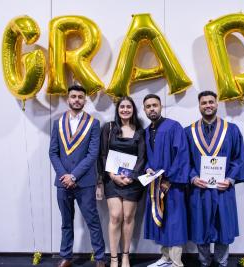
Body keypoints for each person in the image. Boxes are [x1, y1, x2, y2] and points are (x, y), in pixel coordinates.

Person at [184, 91, 244, 267]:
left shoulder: (232, 130)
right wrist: (192, 177)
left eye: (211, 102)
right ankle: (204, 262)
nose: (208, 105)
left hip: (222, 189)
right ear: (199, 106)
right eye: (204, 103)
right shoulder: (189, 132)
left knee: (223, 226)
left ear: (217, 104)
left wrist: (230, 179)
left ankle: (222, 262)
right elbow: (184, 161)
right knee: (200, 225)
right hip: (200, 189)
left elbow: (238, 158)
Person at [49, 85, 106, 267]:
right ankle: (66, 256)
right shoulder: (58, 123)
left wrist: (73, 176)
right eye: (73, 96)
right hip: (62, 182)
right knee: (66, 222)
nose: (77, 100)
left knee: (93, 221)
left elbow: (93, 154)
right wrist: (64, 175)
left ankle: (99, 257)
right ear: (68, 99)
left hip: (85, 182)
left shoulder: (93, 123)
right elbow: (53, 152)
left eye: (80, 97)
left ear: (85, 100)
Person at [142, 94, 190, 267]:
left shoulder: (173, 127)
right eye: (148, 106)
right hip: (155, 185)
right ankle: (165, 257)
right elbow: (148, 156)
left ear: (161, 106)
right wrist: (147, 167)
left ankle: (176, 262)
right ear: (144, 110)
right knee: (160, 219)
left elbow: (182, 154)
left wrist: (169, 180)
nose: (152, 109)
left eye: (154, 105)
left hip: (172, 185)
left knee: (174, 222)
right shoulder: (147, 131)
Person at [98, 96, 146, 267]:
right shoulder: (109, 128)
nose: (125, 110)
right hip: (112, 180)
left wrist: (130, 176)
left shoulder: (140, 131)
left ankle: (125, 255)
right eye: (122, 107)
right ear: (118, 110)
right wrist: (112, 175)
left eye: (129, 107)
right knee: (115, 216)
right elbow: (103, 154)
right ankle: (113, 258)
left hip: (132, 182)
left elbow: (142, 158)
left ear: (133, 110)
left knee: (128, 217)